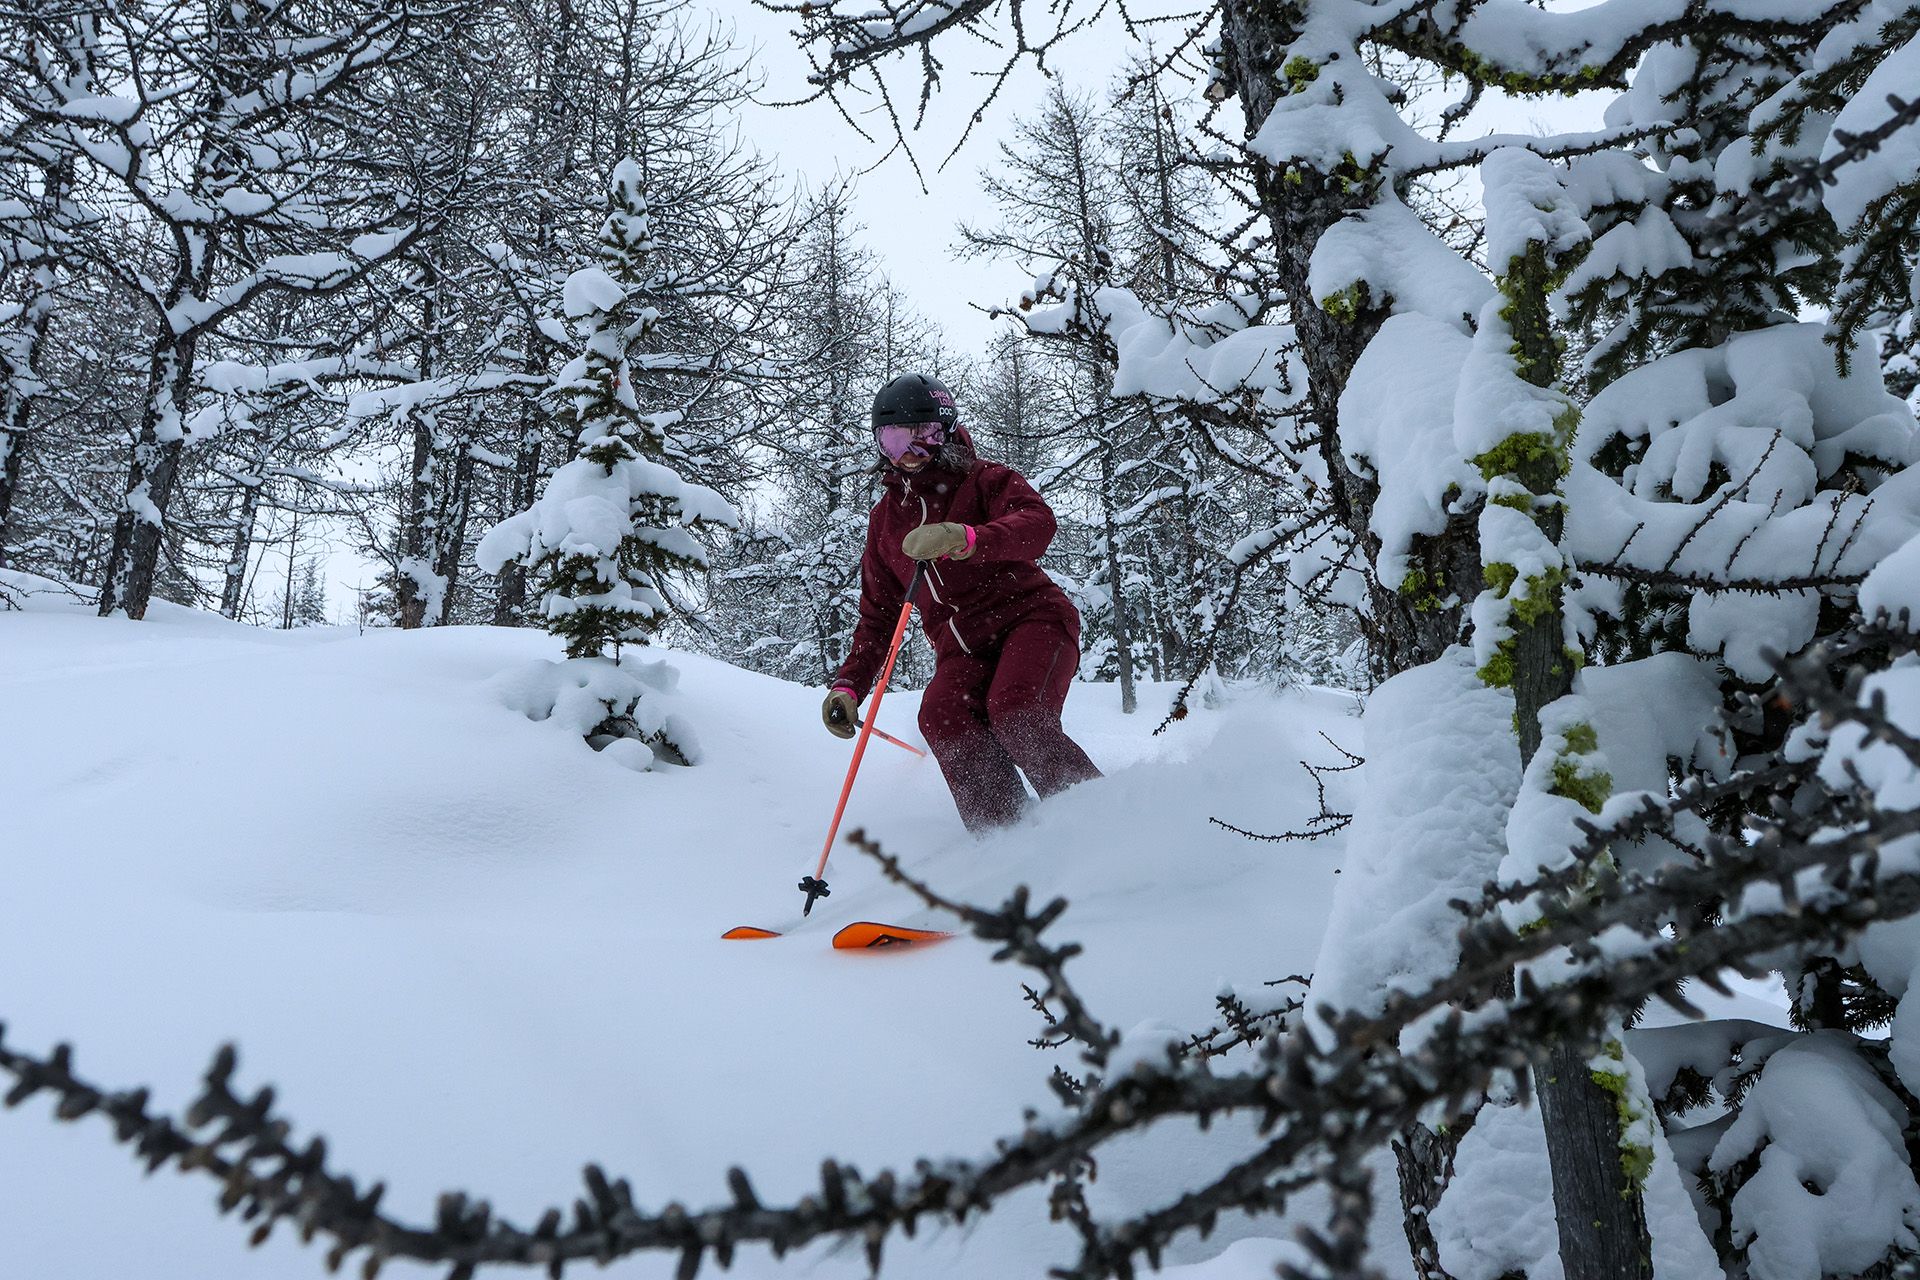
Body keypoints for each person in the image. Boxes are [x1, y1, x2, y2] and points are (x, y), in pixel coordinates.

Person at [821, 372, 1102, 833]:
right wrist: (849, 686)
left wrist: (968, 538)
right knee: (941, 714)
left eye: (922, 438)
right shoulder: (885, 521)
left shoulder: (985, 480)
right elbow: (878, 616)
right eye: (892, 441)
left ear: (946, 432)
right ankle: (1006, 837)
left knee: (1015, 709)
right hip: (964, 649)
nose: (907, 454)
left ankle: (1100, 821)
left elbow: (1038, 524)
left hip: (1032, 620)